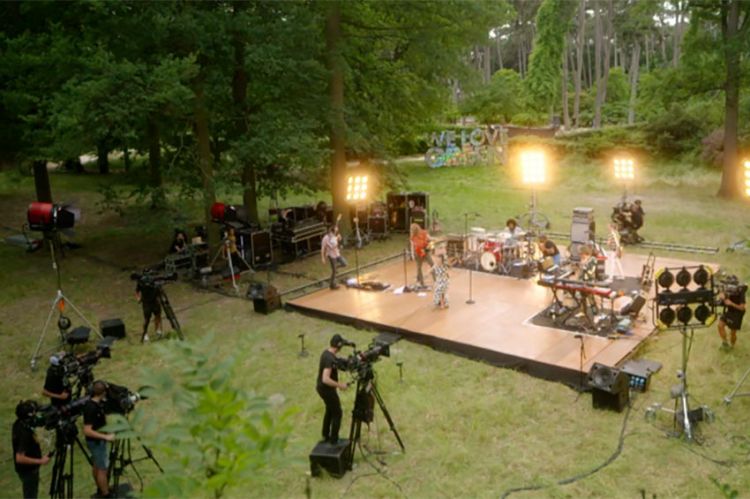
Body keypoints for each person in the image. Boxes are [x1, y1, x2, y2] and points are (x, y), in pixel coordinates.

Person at [12, 400, 51, 499]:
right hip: (28, 471)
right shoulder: (25, 433)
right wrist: (41, 461)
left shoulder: (18, 423)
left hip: (26, 470)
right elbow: (20, 458)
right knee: (30, 496)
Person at [316, 334, 349, 445]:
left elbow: (336, 363)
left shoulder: (327, 353)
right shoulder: (330, 359)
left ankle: (325, 435)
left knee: (330, 410)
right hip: (326, 389)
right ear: (339, 346)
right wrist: (340, 385)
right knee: (337, 413)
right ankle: (334, 440)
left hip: (321, 388)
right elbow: (325, 379)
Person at [83, 381, 115, 498]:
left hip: (98, 441)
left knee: (97, 465)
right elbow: (87, 430)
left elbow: (102, 420)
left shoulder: (97, 403)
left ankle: (102, 487)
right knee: (102, 469)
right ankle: (105, 494)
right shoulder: (91, 408)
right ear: (103, 392)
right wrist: (105, 437)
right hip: (96, 443)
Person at [718, 281, 747, 350]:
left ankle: (732, 346)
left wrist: (731, 303)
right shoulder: (727, 290)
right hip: (730, 311)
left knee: (733, 332)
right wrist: (722, 297)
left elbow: (742, 308)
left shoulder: (741, 292)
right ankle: (725, 343)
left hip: (738, 313)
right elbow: (723, 300)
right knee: (720, 325)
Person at [135, 273, 162, 343]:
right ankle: (145, 334)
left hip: (155, 301)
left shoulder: (154, 281)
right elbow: (137, 291)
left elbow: (159, 291)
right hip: (146, 303)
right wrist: (138, 298)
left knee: (158, 316)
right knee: (146, 319)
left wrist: (159, 299)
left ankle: (157, 330)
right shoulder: (141, 282)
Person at [321, 224, 346, 290]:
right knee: (334, 271)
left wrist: (339, 239)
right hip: (331, 255)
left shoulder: (335, 236)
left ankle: (336, 268)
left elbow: (339, 244)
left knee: (344, 263)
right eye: (335, 229)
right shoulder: (326, 238)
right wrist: (323, 257)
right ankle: (332, 285)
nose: (336, 231)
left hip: (337, 254)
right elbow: (323, 248)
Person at [410, 223, 433, 288]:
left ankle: (436, 279)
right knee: (419, 267)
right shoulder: (412, 237)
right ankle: (421, 282)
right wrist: (412, 255)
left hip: (425, 250)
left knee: (432, 264)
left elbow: (430, 239)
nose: (411, 231)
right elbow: (412, 246)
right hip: (418, 253)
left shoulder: (423, 232)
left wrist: (430, 246)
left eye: (412, 229)